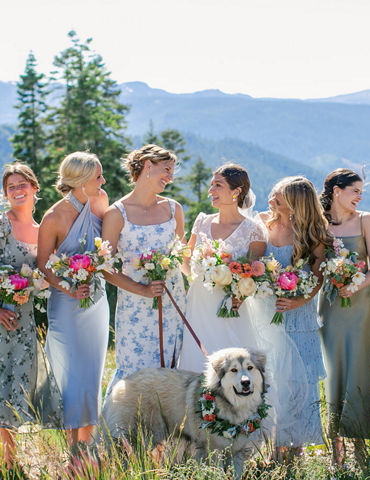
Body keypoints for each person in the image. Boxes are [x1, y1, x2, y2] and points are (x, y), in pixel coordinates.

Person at [0, 163, 62, 469]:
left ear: (34, 188)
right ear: (5, 194)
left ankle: (12, 458)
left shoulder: (42, 229)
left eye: (22, 185)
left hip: (23, 318)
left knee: (14, 382)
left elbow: (44, 271)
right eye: (11, 187)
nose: (17, 191)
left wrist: (33, 287)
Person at [36, 152, 110, 454]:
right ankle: (73, 453)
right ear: (79, 181)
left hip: (96, 303)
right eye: (98, 176)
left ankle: (90, 449)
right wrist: (67, 286)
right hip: (66, 306)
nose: (103, 181)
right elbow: (43, 264)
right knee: (70, 376)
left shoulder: (101, 201)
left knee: (92, 373)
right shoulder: (53, 216)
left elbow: (106, 246)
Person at [102, 145, 186, 393]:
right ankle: (124, 428)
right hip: (135, 305)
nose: (170, 177)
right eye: (166, 169)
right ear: (147, 166)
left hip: (173, 300)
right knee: (136, 370)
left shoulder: (174, 209)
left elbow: (180, 256)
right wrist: (143, 289)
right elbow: (104, 268)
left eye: (172, 171)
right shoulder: (117, 213)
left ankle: (169, 429)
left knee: (172, 365)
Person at [260, 176, 329, 459]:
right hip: (267, 313)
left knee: (298, 382)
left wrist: (297, 300)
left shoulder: (312, 236)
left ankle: (294, 448)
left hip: (298, 316)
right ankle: (272, 447)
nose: (271, 198)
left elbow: (316, 279)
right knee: (272, 380)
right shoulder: (264, 224)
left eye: (278, 196)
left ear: (294, 203)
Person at [316, 169, 370, 466]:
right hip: (330, 308)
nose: (359, 196)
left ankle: (360, 448)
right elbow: (315, 266)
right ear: (337, 191)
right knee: (334, 372)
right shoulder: (319, 224)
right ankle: (336, 451)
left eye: (361, 192)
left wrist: (353, 285)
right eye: (355, 190)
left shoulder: (366, 220)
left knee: (359, 371)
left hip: (362, 307)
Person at [178, 163, 267, 372]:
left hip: (230, 307)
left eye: (217, 185)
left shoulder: (253, 231)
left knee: (232, 361)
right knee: (196, 360)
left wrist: (238, 293)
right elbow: (186, 262)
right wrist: (196, 274)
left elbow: (254, 275)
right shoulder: (202, 222)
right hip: (198, 302)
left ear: (236, 191)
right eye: (211, 185)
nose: (211, 191)